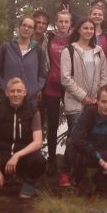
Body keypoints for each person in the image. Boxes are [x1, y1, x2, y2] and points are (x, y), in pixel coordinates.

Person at [58, 17, 107, 187]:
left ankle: (80, 175)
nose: (88, 31)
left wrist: (98, 99)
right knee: (74, 139)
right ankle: (65, 174)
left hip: (94, 103)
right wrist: (83, 97)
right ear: (78, 30)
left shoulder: (99, 51)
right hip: (76, 102)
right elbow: (65, 79)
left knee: (86, 140)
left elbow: (103, 77)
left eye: (91, 29)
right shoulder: (69, 51)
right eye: (85, 28)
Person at [42, 9, 73, 174]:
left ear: (70, 24)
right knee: (53, 123)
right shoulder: (49, 38)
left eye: (66, 22)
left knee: (72, 123)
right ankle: (51, 160)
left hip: (69, 86)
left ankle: (69, 160)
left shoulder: (75, 38)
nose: (63, 24)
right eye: (60, 21)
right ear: (56, 22)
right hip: (52, 84)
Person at [0, 16, 46, 107]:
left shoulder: (38, 51)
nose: (26, 28)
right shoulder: (6, 48)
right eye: (24, 25)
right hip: (7, 101)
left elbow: (42, 75)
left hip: (30, 101)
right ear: (19, 27)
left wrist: (35, 89)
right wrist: (4, 88)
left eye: (30, 27)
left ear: (33, 30)